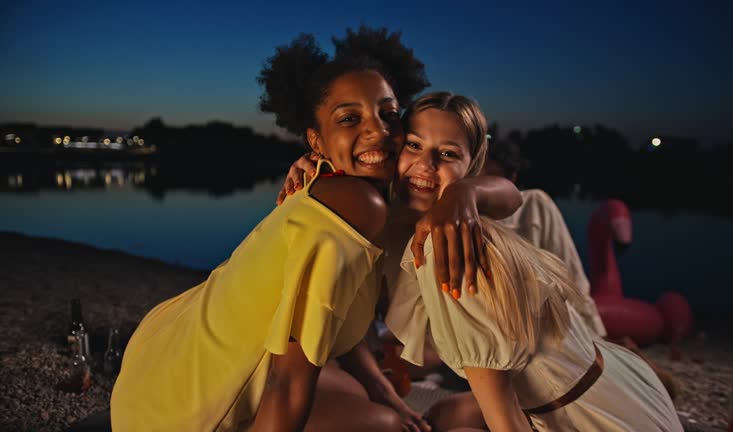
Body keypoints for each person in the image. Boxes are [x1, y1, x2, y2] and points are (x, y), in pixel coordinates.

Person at [111, 28, 520, 432]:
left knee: (362, 397)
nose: (377, 130)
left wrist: (463, 194)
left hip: (167, 354)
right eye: (349, 118)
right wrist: (388, 411)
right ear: (316, 141)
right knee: (383, 426)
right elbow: (287, 383)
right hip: (181, 407)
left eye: (388, 114)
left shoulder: (365, 189)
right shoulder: (360, 205)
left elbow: (512, 196)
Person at [385, 92, 683, 431]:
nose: (426, 164)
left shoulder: (445, 246)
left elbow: (506, 419)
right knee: (443, 416)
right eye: (413, 145)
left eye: (448, 153)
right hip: (620, 385)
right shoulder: (437, 223)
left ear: (472, 167)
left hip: (593, 417)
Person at [481, 140, 607, 337]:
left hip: (547, 329)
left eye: (489, 178)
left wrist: (596, 334)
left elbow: (571, 276)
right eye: (475, 178)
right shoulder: (461, 217)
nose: (481, 188)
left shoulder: (533, 204)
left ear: (512, 178)